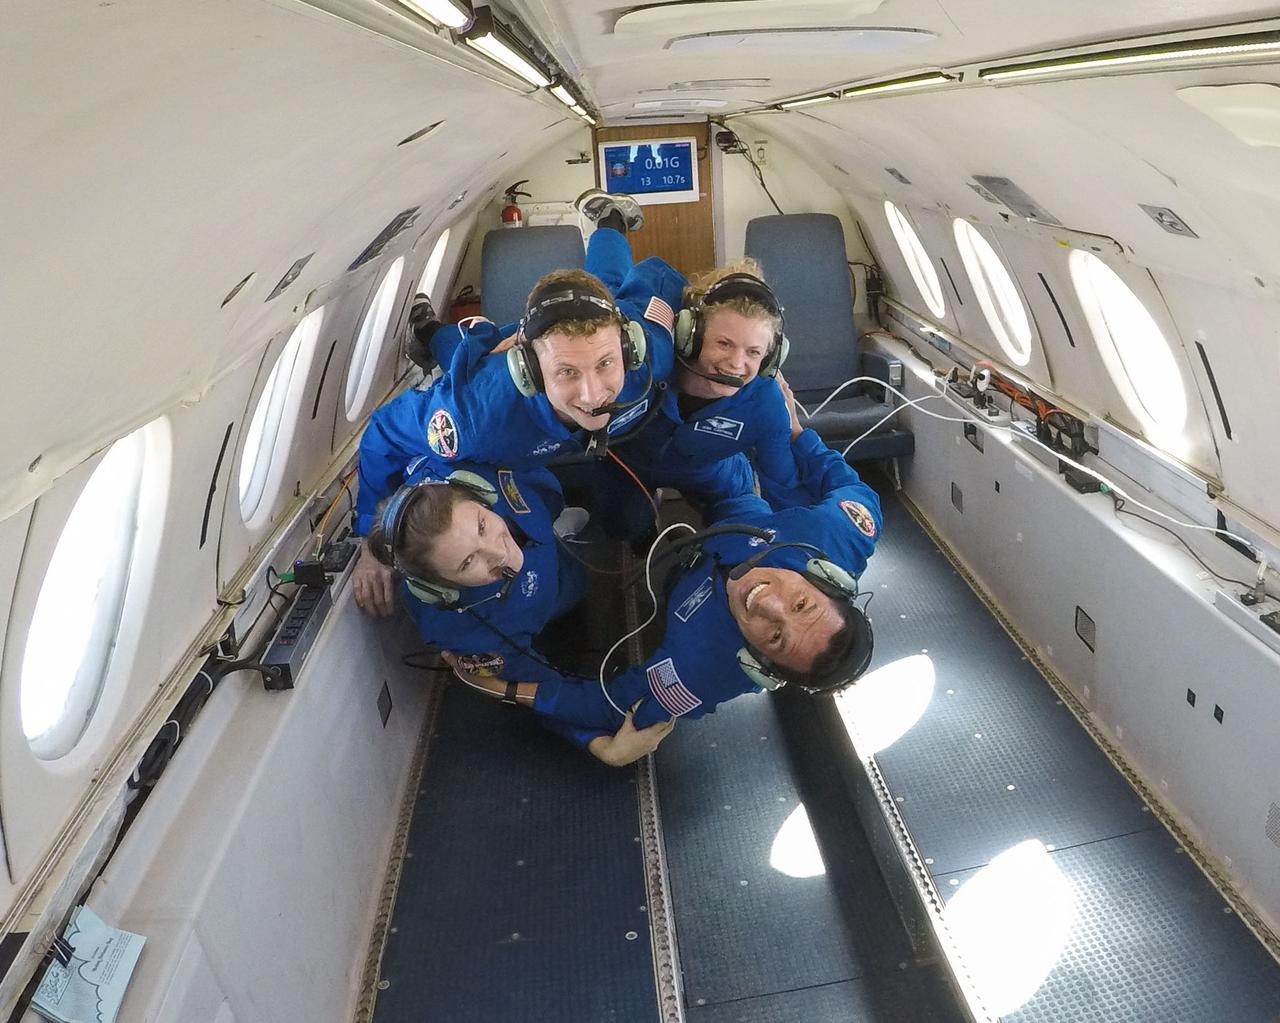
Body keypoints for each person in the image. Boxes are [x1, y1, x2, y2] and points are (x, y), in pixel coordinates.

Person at [443, 395, 883, 766]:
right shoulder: (840, 535)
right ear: (823, 578)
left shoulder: (701, 673)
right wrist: (796, 432)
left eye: (776, 637)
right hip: (741, 507)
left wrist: (508, 690)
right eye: (802, 604)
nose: (766, 603)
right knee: (675, 446)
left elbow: (607, 706)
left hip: (687, 569)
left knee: (622, 514)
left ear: (760, 666)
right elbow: (853, 488)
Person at [351, 195, 685, 589]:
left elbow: (659, 277)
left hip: (607, 407)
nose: (594, 394)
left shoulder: (648, 354)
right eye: (567, 372)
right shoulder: (473, 416)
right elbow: (384, 431)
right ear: (526, 368)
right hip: (503, 392)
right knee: (466, 355)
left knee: (611, 287)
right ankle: (426, 329)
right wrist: (371, 545)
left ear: (630, 348)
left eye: (606, 364)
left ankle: (609, 219)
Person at [605, 260, 812, 526]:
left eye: (754, 352)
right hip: (631, 464)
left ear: (771, 358)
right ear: (691, 335)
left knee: (745, 522)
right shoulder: (644, 363)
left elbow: (786, 489)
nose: (737, 364)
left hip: (712, 471)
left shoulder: (766, 404)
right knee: (621, 526)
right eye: (724, 344)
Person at [360, 458, 587, 687]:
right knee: (576, 587)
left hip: (547, 529)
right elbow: (546, 689)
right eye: (468, 562)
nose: (500, 553)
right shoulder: (468, 634)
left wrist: (364, 534)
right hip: (557, 599)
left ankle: (558, 532)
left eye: (481, 526)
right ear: (440, 588)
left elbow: (384, 431)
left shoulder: (457, 465)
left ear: (481, 493)